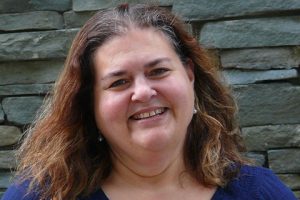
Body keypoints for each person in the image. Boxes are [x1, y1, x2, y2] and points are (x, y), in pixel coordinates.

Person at [2, 3, 297, 200]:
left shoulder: (259, 193)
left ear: (189, 76)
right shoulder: (41, 195)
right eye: (118, 82)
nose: (143, 92)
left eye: (158, 71)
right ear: (90, 104)